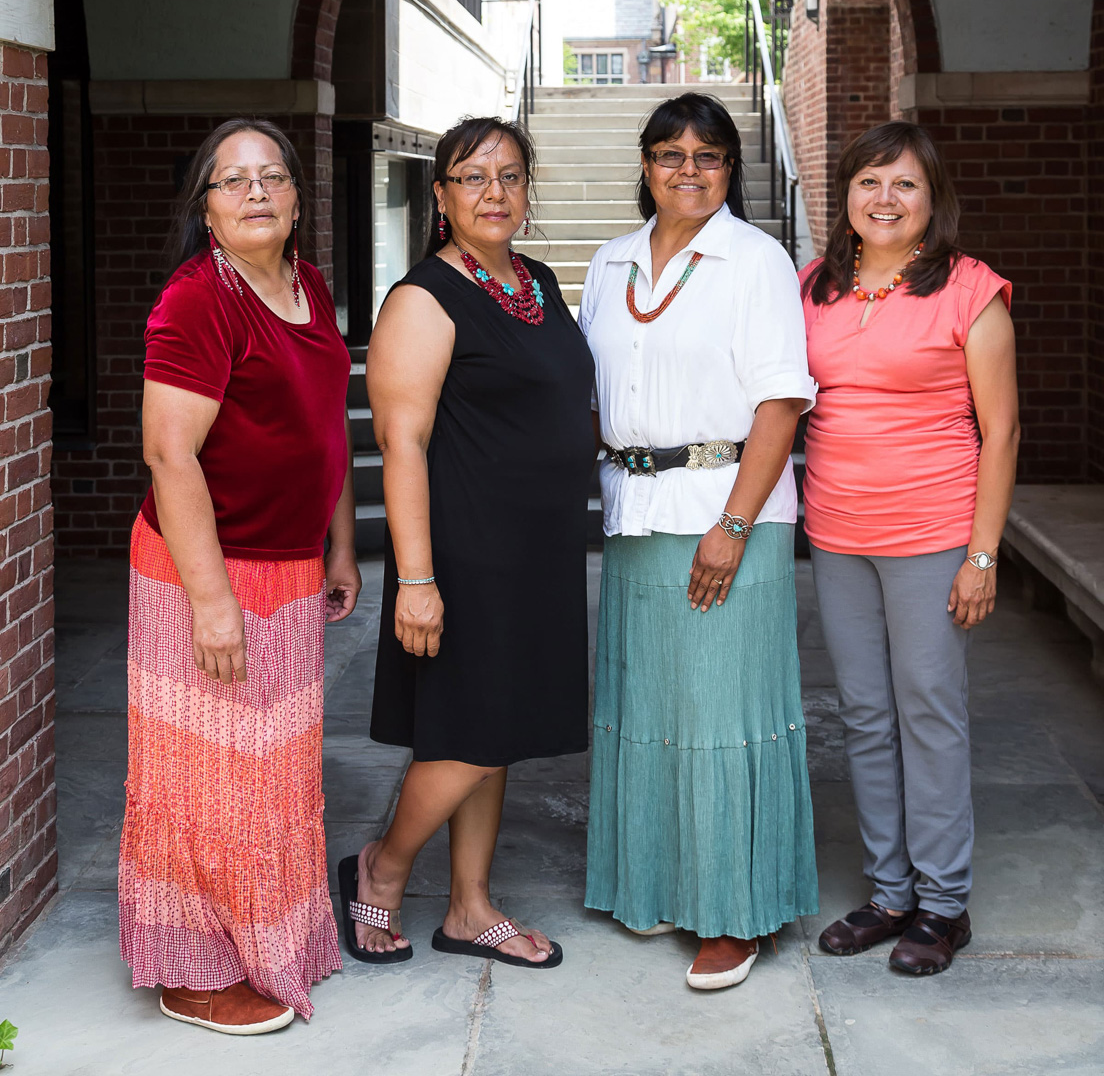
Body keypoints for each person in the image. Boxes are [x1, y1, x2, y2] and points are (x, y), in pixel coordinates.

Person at [119, 119, 360, 1034]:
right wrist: (212, 603)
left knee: (273, 773)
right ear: (207, 209)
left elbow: (325, 422)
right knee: (201, 778)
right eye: (233, 181)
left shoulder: (310, 288)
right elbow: (168, 455)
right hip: (203, 574)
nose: (256, 192)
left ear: (299, 197)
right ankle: (192, 963)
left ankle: (268, 937)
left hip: (291, 567)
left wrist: (337, 540)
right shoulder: (197, 301)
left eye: (273, 177)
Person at [580, 92, 818, 992]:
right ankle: (654, 881)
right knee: (648, 712)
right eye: (670, 154)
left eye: (708, 156)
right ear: (644, 166)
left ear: (731, 170)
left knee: (725, 715)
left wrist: (732, 524)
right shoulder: (608, 262)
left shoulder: (755, 261)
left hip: (728, 510)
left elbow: (780, 403)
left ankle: (734, 911)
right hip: (634, 513)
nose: (688, 170)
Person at [346, 115, 594, 969]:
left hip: (542, 550)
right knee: (467, 735)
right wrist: (416, 577)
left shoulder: (538, 281)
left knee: (502, 729)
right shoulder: (424, 297)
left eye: (511, 175)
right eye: (473, 176)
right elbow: (402, 442)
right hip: (467, 553)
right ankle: (382, 869)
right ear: (441, 195)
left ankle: (469, 907)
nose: (495, 192)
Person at [802, 121, 1019, 977]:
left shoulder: (970, 290)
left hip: (934, 533)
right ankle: (889, 891)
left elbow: (999, 433)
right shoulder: (814, 285)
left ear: (933, 202)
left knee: (928, 710)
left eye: (904, 185)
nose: (884, 199)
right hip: (837, 531)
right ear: (846, 196)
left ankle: (943, 903)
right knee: (863, 712)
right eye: (869, 182)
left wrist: (983, 555)